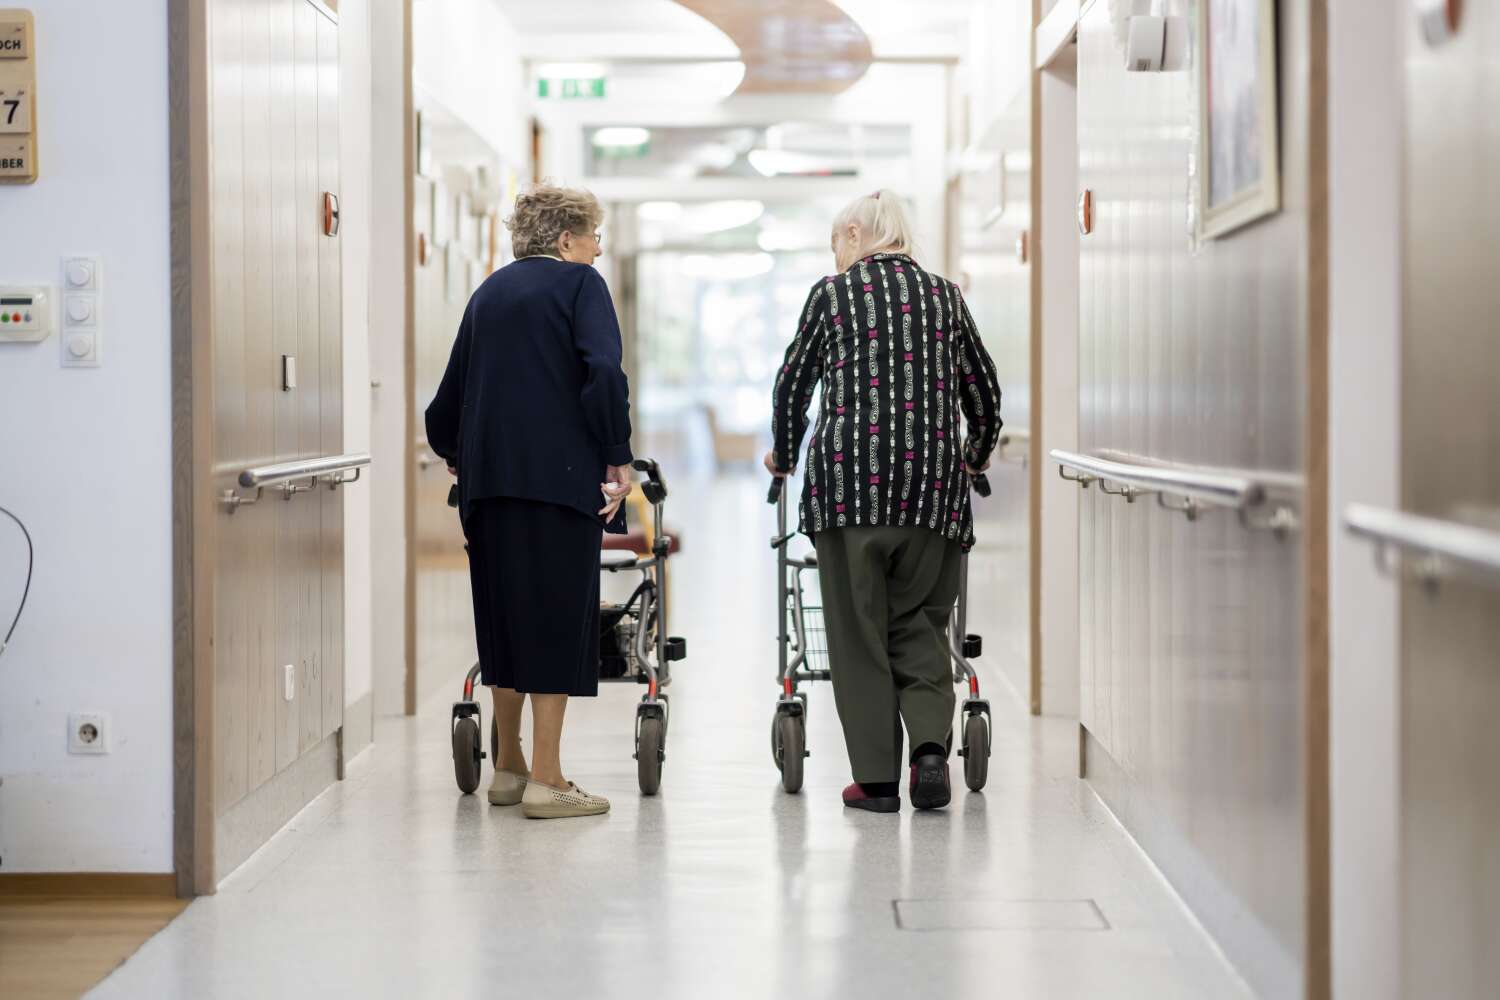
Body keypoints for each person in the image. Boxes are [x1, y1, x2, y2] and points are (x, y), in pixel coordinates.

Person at [765, 190, 1002, 813]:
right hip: (933, 494)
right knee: (921, 621)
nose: (835, 256)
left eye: (834, 244)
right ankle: (929, 752)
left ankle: (875, 781)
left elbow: (793, 383)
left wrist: (784, 454)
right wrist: (975, 453)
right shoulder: (947, 296)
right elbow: (984, 391)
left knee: (858, 631)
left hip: (849, 491)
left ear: (852, 233)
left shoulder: (832, 294)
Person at [426, 183, 633, 820]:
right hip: (558, 482)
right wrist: (617, 456)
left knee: (504, 619)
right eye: (594, 237)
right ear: (568, 239)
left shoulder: (489, 291)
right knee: (555, 620)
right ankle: (549, 779)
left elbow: (444, 405)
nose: (598, 250)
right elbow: (604, 375)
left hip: (487, 489)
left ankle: (509, 768)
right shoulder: (580, 286)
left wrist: (466, 453)